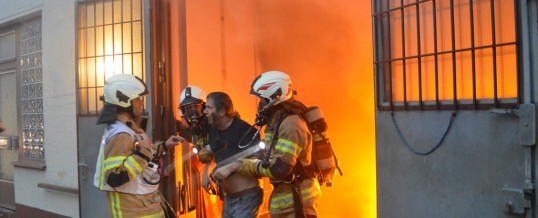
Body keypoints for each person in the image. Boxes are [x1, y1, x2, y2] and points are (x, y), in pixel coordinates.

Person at [213, 71, 321, 218]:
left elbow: (279, 168)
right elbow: (270, 154)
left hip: (299, 202)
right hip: (283, 199)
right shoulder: (275, 123)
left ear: (274, 97)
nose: (260, 105)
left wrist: (239, 165)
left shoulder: (291, 124)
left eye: (262, 100)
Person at [93, 74, 183, 218]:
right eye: (138, 99)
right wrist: (144, 153)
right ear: (124, 101)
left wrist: (164, 146)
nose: (141, 103)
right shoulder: (121, 134)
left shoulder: (125, 127)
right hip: (136, 211)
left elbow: (135, 152)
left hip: (145, 206)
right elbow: (114, 177)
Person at [202, 91, 264, 218]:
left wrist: (231, 167)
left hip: (247, 198)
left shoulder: (244, 130)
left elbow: (258, 160)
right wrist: (206, 172)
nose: (204, 111)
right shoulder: (213, 129)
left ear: (222, 112)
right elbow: (215, 153)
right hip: (229, 199)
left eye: (209, 107)